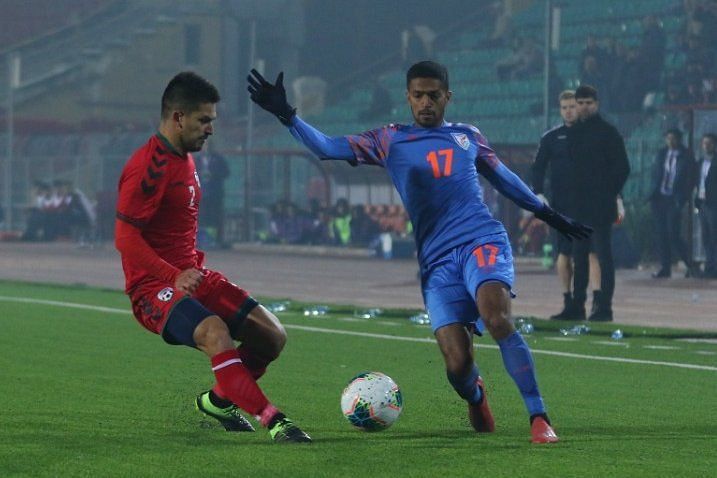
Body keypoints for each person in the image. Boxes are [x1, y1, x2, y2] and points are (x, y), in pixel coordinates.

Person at [248, 61, 592, 444]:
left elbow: (505, 179)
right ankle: (475, 395)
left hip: (482, 239)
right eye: (418, 95)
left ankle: (538, 417)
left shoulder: (467, 136)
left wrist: (547, 214)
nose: (426, 103)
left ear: (448, 96)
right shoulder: (389, 140)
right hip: (437, 262)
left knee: (496, 319)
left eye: (433, 95)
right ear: (408, 98)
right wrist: (287, 115)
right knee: (458, 366)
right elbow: (328, 148)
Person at [114, 72, 310, 443]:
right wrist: (170, 275)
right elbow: (125, 237)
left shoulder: (184, 158)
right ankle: (274, 419)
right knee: (214, 332)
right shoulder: (148, 167)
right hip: (153, 287)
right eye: (204, 120)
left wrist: (185, 272)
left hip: (193, 275)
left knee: (271, 336)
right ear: (178, 117)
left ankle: (219, 400)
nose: (210, 130)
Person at [532, 90, 600, 320]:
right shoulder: (551, 138)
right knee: (564, 252)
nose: (569, 111)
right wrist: (538, 193)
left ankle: (598, 303)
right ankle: (569, 302)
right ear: (560, 110)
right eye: (564, 108)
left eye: (572, 106)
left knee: (591, 252)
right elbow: (538, 167)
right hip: (561, 206)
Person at [569, 85, 631, 322]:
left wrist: (608, 193)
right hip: (578, 206)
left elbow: (623, 168)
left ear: (597, 104)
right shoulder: (573, 133)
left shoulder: (608, 132)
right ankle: (577, 305)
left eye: (589, 102)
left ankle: (604, 307)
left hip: (601, 206)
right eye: (581, 102)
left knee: (603, 256)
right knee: (579, 256)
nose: (584, 107)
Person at [649, 128, 698, 278]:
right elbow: (656, 173)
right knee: (661, 234)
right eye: (668, 138)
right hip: (660, 198)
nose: (671, 141)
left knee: (673, 234)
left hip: (674, 199)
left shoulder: (687, 156)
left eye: (674, 138)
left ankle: (690, 265)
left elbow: (691, 179)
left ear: (679, 139)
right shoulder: (661, 153)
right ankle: (665, 268)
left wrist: (683, 198)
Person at [196, 141, 230, 248]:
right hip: (202, 193)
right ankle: (203, 239)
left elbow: (226, 172)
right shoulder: (197, 160)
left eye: (207, 145)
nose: (205, 148)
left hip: (215, 193)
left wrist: (214, 174)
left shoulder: (218, 159)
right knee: (203, 216)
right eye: (203, 145)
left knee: (216, 216)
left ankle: (217, 239)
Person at [695, 133, 717, 278]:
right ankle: (710, 266)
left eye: (709, 143)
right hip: (702, 202)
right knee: (706, 236)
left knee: (715, 235)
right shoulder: (701, 162)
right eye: (704, 143)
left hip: (714, 203)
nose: (706, 146)